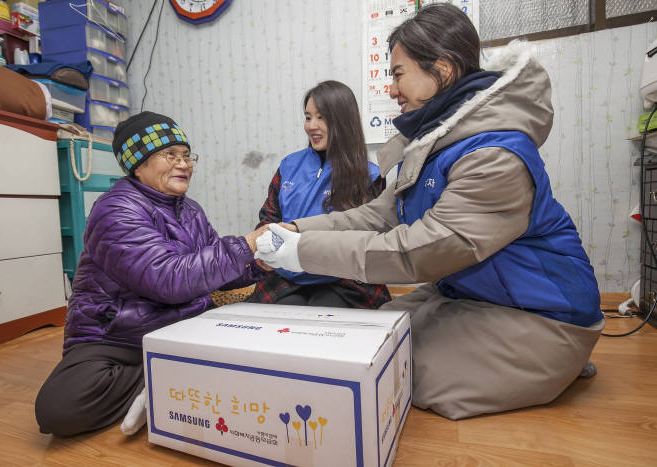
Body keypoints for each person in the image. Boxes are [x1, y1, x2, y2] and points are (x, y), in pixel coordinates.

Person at [256, 4, 605, 420]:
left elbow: (418, 252)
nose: (391, 89)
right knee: (366, 339)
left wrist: (300, 251)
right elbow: (377, 215)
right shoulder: (433, 142)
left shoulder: (493, 155)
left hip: (540, 312)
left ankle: (559, 358)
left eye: (398, 74)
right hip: (471, 293)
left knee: (398, 372)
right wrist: (293, 228)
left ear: (441, 69)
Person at [35, 111, 266, 436]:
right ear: (138, 164)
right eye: (170, 155)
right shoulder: (116, 210)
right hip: (117, 336)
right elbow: (167, 280)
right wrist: (244, 246)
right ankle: (167, 375)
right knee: (58, 409)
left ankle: (166, 378)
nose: (184, 164)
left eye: (187, 155)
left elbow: (215, 271)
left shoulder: (190, 210)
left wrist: (257, 263)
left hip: (185, 325)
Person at [245, 80, 391, 309]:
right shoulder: (288, 165)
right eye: (307, 117)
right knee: (282, 316)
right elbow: (269, 217)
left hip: (343, 280)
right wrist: (265, 247)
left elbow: (364, 237)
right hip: (287, 276)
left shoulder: (369, 175)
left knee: (325, 311)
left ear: (343, 121)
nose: (311, 125)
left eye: (321, 117)